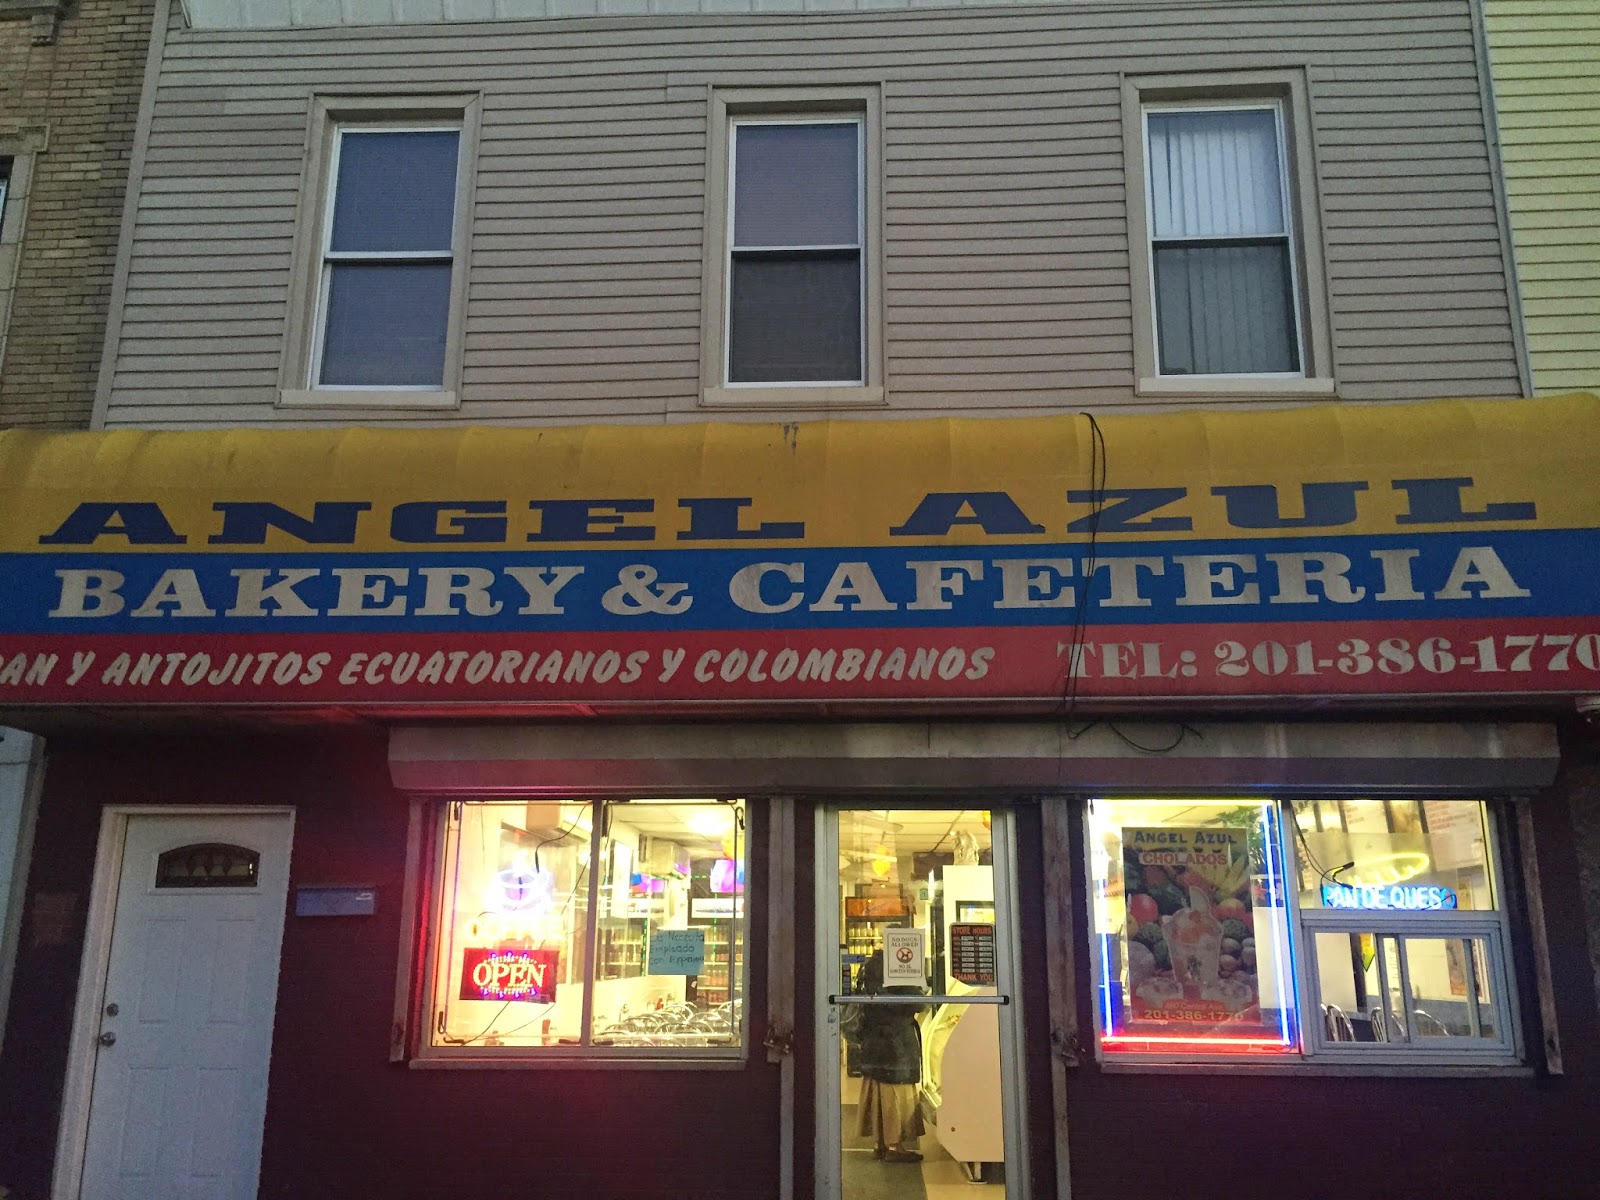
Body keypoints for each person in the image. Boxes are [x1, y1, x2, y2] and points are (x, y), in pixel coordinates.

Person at [852, 946, 926, 1163]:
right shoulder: (900, 968)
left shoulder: (867, 967)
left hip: (873, 1039)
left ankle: (880, 1143)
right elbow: (917, 1003)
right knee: (896, 1093)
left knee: (876, 1091)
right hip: (896, 1042)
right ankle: (894, 1146)